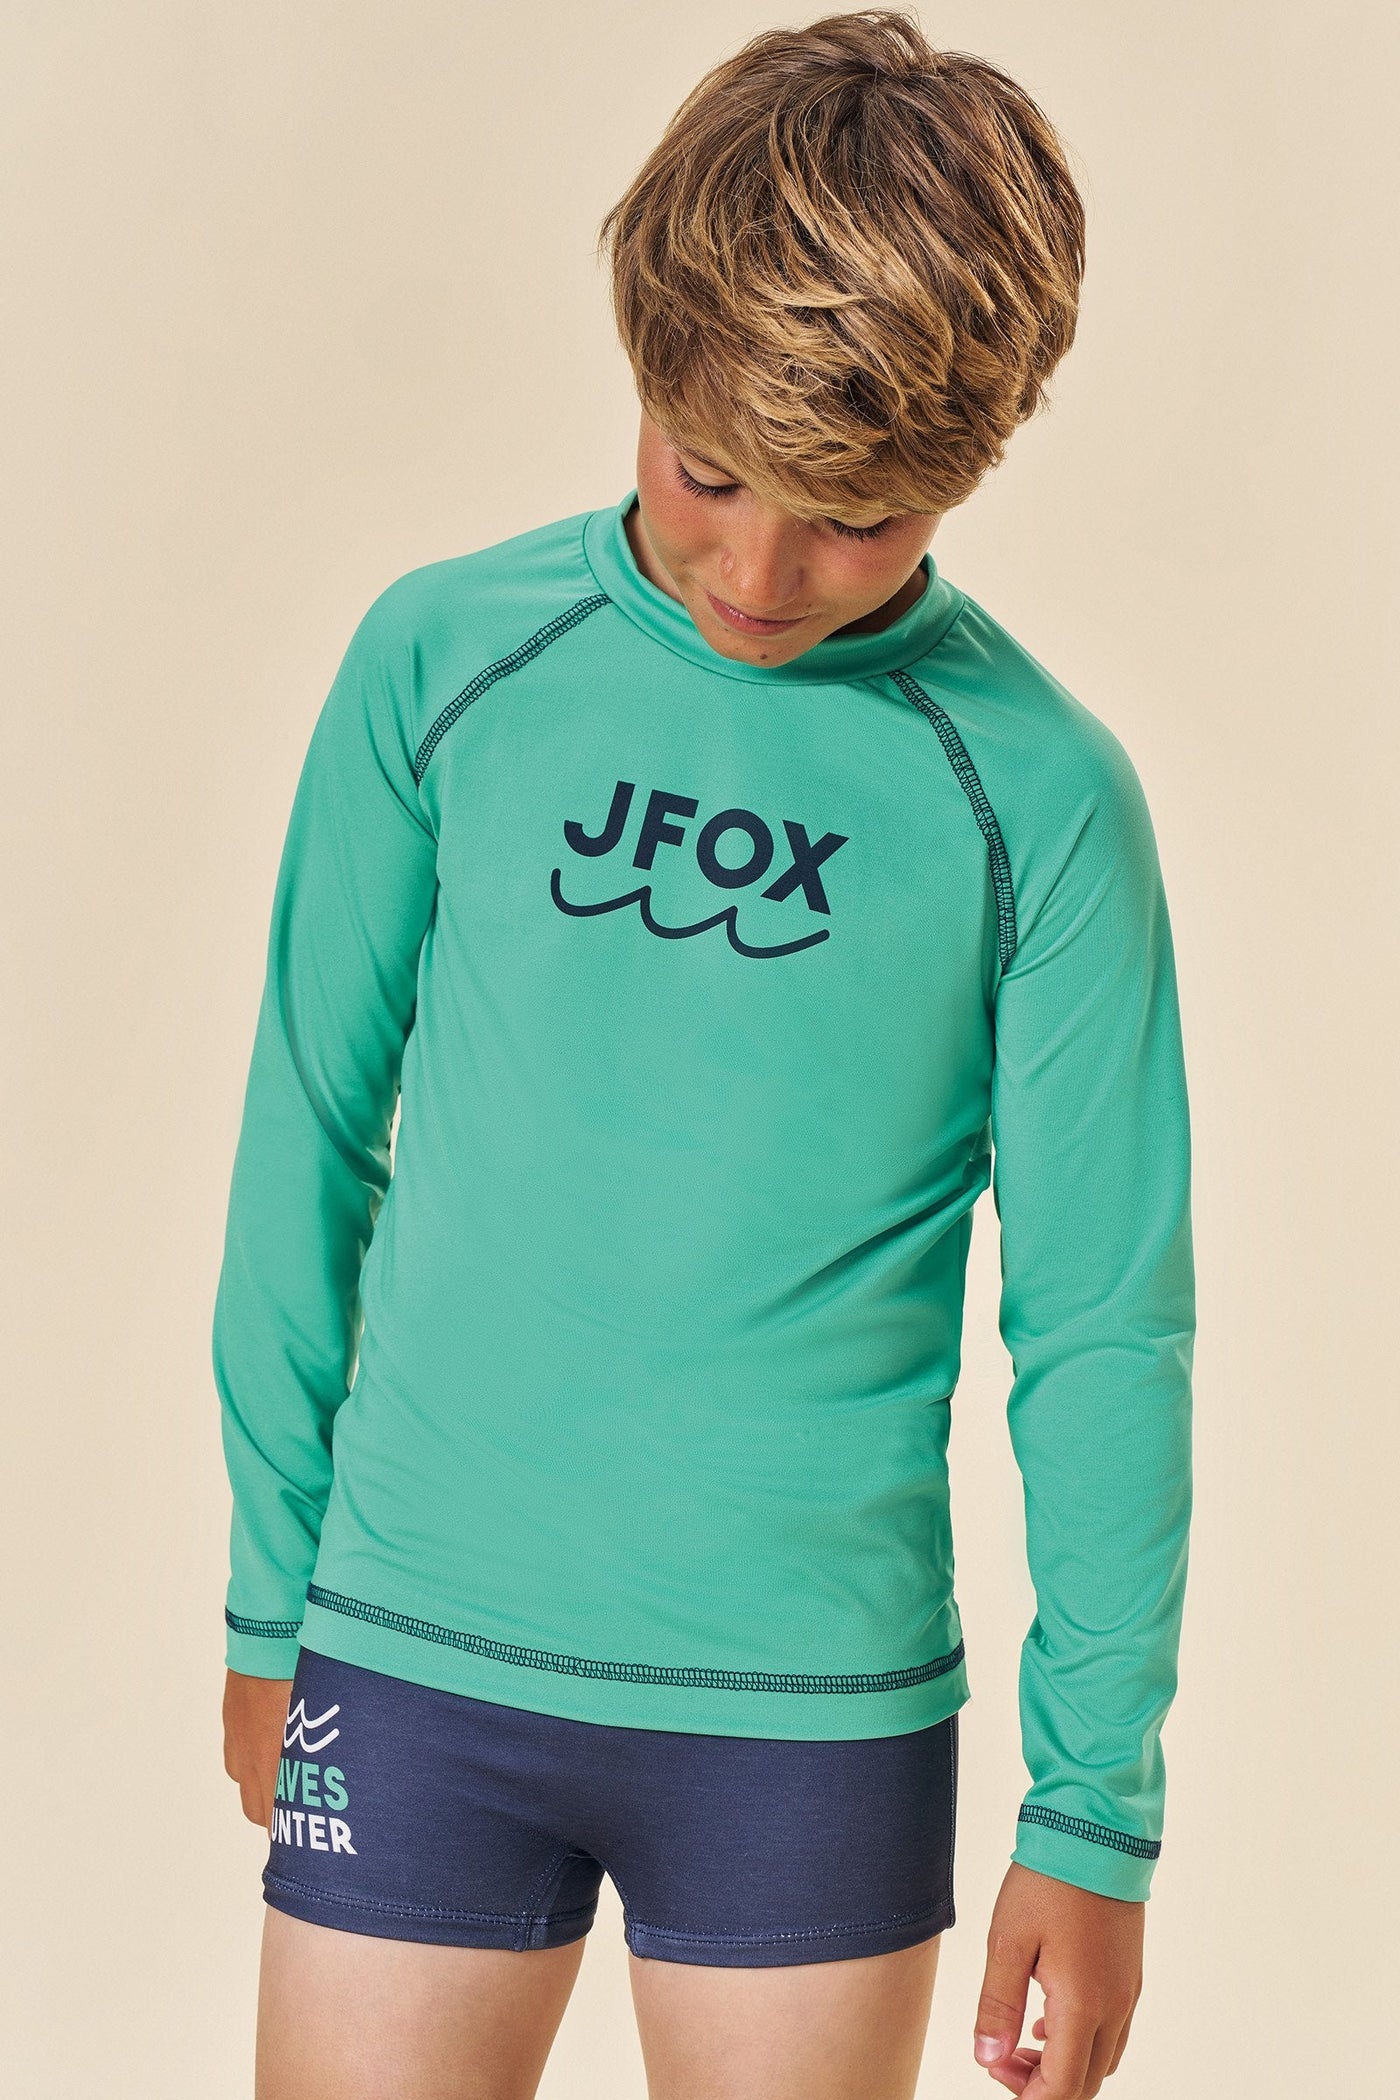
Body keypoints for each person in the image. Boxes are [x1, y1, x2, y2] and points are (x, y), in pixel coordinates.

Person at [213, 14, 1195, 2099]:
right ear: (645, 369)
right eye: (709, 473)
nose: (758, 574)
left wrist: (1092, 1806)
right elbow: (310, 1130)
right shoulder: (445, 658)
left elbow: (1103, 1319)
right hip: (411, 1655)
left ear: (973, 462)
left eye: (856, 518)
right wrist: (261, 1597)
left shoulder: (1039, 796)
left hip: (807, 1723)